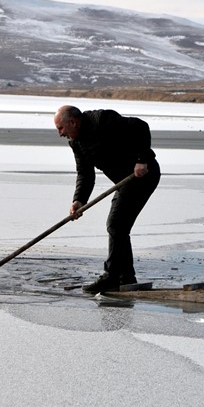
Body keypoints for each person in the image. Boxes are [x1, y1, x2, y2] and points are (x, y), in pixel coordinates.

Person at [54, 105, 161, 293]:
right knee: (118, 227)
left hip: (143, 174)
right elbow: (85, 174)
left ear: (73, 122)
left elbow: (141, 127)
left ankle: (112, 277)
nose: (60, 133)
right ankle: (126, 277)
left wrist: (141, 159)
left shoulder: (102, 120)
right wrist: (79, 200)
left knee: (116, 225)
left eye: (61, 128)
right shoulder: (76, 142)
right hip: (124, 181)